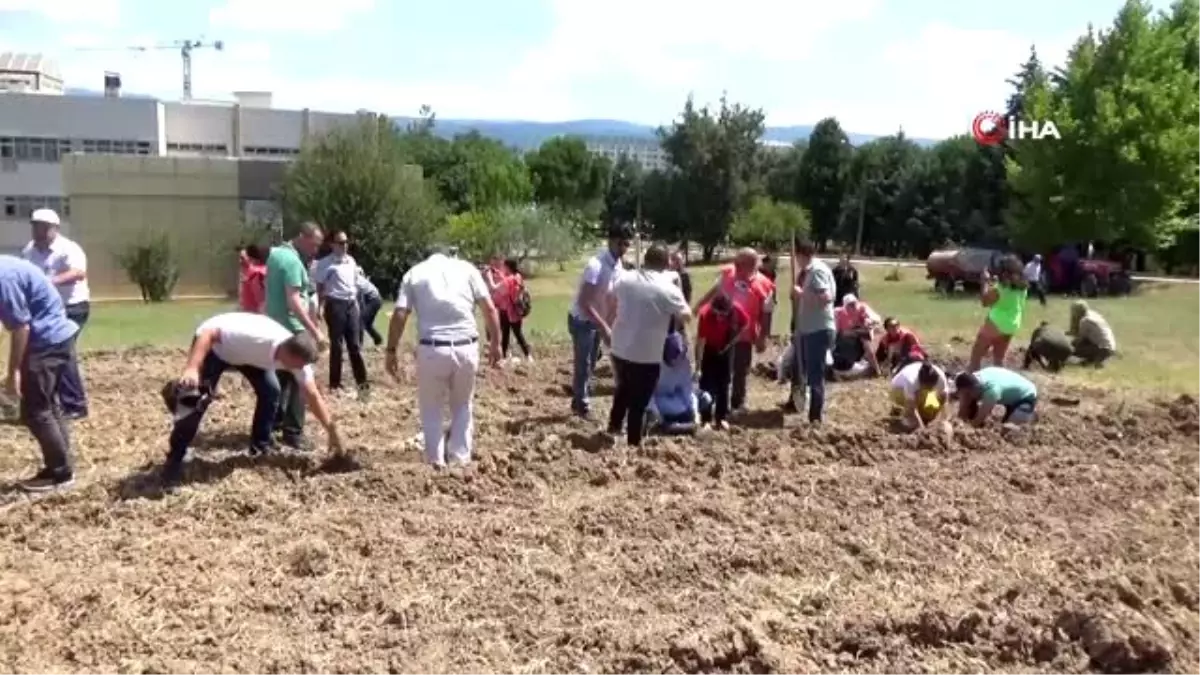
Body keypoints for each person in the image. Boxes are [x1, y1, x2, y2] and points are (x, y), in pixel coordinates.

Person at [160, 312, 341, 491]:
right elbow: (208, 333)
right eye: (298, 365)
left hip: (250, 357)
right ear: (287, 353)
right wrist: (192, 367)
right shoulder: (257, 338)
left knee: (271, 392)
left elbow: (312, 395)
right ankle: (174, 462)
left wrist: (331, 430)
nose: (300, 370)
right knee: (195, 401)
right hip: (216, 347)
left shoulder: (296, 357)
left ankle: (260, 448)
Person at [385, 248, 502, 467]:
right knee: (463, 406)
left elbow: (401, 313)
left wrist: (391, 350)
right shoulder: (467, 270)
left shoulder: (415, 273)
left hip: (432, 349)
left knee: (431, 408)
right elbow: (490, 309)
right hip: (465, 346)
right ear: (450, 254)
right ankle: (460, 460)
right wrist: (495, 342)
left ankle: (435, 462)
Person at [0, 255, 82, 492]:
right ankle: (62, 467)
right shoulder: (6, 266)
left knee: (35, 411)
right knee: (48, 406)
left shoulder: (3, 278)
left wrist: (13, 371)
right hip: (57, 335)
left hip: (45, 340)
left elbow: (21, 326)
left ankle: (60, 474)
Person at [607, 244, 691, 447]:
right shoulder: (669, 288)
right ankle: (633, 443)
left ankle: (613, 427)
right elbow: (686, 315)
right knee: (639, 401)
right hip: (647, 353)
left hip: (619, 347)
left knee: (623, 389)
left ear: (645, 260)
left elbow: (610, 295)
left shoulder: (625, 278)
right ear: (666, 264)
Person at [21, 208, 90, 420]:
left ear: (54, 229)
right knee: (44, 354)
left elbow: (78, 273)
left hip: (72, 307)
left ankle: (75, 405)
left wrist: (46, 282)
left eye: (43, 226)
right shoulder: (29, 251)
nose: (37, 230)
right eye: (35, 225)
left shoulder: (68, 248)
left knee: (62, 352)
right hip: (44, 310)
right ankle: (48, 401)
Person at [264, 222, 326, 450]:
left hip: (274, 326)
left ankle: (271, 426)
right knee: (302, 379)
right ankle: (293, 432)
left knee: (278, 379)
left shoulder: (276, 254)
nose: (316, 250)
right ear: (302, 237)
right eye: (314, 244)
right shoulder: (292, 261)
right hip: (292, 328)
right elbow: (294, 300)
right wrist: (314, 330)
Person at [692, 248, 774, 414]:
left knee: (740, 370)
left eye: (739, 263)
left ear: (751, 265)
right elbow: (715, 291)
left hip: (744, 333)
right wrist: (700, 305)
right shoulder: (729, 273)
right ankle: (712, 403)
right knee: (718, 370)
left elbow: (767, 313)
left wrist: (763, 337)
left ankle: (737, 404)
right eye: (736, 262)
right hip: (719, 332)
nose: (735, 265)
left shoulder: (764, 284)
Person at [567, 224, 631, 418]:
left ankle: (578, 396)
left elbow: (613, 299)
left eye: (627, 244)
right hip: (582, 320)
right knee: (584, 362)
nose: (624, 248)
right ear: (611, 241)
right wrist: (604, 327)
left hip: (599, 320)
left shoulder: (619, 266)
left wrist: (612, 326)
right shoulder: (595, 265)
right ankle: (581, 405)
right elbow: (584, 302)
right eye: (621, 243)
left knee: (592, 361)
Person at [314, 231, 369, 396]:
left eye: (346, 242)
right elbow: (320, 286)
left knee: (354, 345)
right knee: (337, 346)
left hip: (351, 304)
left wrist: (357, 304)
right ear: (332, 245)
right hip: (335, 304)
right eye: (340, 242)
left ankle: (363, 385)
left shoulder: (350, 261)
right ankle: (335, 384)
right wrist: (320, 306)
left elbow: (354, 283)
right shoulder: (325, 264)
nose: (344, 245)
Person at [787, 238, 836, 422]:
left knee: (815, 374)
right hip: (808, 329)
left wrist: (802, 294)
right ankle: (806, 407)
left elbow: (825, 298)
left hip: (818, 330)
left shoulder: (817, 271)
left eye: (796, 257)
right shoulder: (809, 271)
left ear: (801, 255)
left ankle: (815, 417)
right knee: (805, 370)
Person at [695, 293, 749, 430]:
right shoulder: (705, 314)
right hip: (710, 349)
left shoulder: (736, 310)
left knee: (724, 384)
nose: (720, 318)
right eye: (718, 314)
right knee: (706, 384)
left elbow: (746, 324)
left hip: (726, 349)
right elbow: (700, 342)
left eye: (723, 315)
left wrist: (734, 340)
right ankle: (705, 418)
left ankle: (721, 417)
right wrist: (698, 366)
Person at [967, 255, 1028, 372]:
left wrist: (984, 282)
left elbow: (985, 302)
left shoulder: (999, 289)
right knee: (999, 359)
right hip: (1012, 324)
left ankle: (971, 380)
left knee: (976, 356)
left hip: (996, 322)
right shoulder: (1023, 288)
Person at [646, 331, 698, 434]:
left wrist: (694, 413)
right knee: (677, 409)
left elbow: (686, 389)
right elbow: (648, 395)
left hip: (674, 396)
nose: (676, 362)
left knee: (700, 400)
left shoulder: (684, 363)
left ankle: (680, 423)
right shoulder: (653, 365)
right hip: (657, 399)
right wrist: (657, 415)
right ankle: (666, 424)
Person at [954, 367, 1038, 427]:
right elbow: (963, 407)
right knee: (972, 408)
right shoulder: (974, 378)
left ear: (973, 389)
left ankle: (1029, 414)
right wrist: (959, 420)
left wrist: (966, 429)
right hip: (1008, 389)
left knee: (1009, 431)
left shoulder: (991, 391)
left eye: (968, 394)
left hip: (1025, 395)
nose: (967, 397)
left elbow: (978, 421)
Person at [889, 360, 950, 431]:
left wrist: (941, 420)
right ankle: (901, 416)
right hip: (899, 389)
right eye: (926, 386)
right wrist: (922, 429)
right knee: (912, 422)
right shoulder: (911, 381)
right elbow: (912, 408)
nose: (928, 388)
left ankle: (922, 416)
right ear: (921, 382)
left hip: (919, 391)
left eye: (930, 386)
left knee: (931, 409)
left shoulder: (941, 379)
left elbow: (944, 401)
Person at [832, 293, 883, 377]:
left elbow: (874, 318)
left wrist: (869, 321)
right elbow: (842, 332)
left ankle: (877, 371)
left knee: (868, 347)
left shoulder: (862, 308)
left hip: (860, 333)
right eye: (850, 305)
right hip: (848, 335)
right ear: (845, 306)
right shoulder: (839, 313)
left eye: (854, 303)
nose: (853, 306)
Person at [499, 259, 533, 362]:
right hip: (517, 309)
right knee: (518, 334)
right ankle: (528, 355)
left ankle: (504, 356)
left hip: (506, 309)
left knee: (505, 334)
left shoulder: (507, 279)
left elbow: (500, 291)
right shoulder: (518, 277)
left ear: (507, 267)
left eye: (504, 266)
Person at [1068, 300, 1117, 367]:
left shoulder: (1085, 321)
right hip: (1110, 347)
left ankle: (1095, 360)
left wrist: (1067, 347)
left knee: (1073, 349)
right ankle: (1093, 360)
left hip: (1103, 349)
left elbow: (1079, 340)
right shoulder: (1093, 314)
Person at [356, 267, 384, 347]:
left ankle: (358, 345)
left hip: (374, 301)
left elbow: (360, 299)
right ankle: (378, 340)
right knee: (367, 325)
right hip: (375, 300)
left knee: (360, 321)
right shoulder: (358, 279)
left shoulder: (357, 281)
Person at [237, 244, 268, 313]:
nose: (240, 261)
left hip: (255, 316)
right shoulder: (246, 274)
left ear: (251, 258)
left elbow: (261, 300)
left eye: (242, 258)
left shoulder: (256, 274)